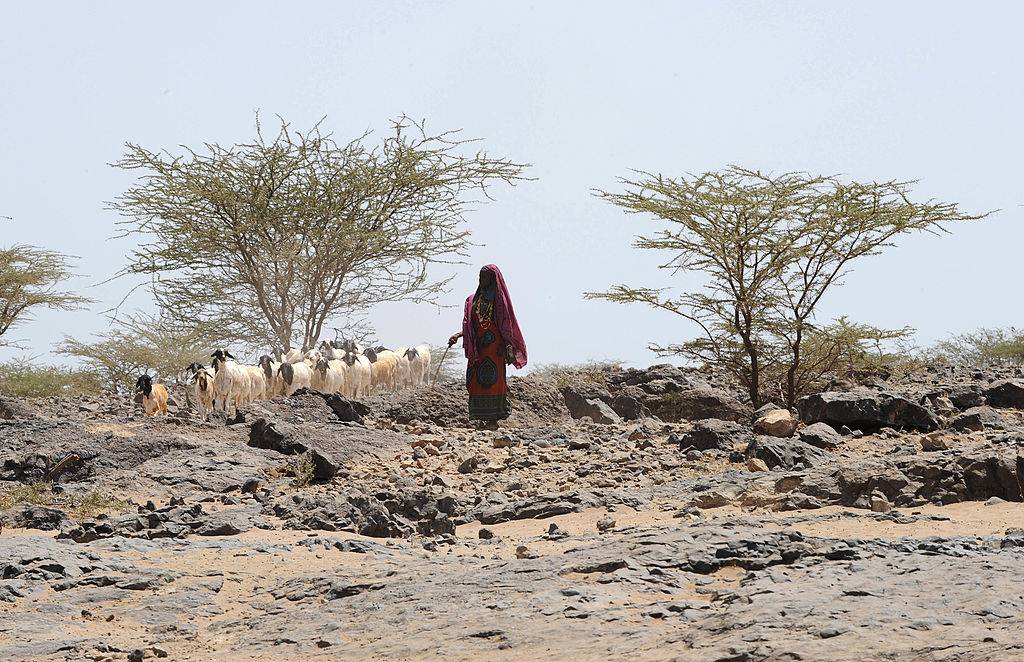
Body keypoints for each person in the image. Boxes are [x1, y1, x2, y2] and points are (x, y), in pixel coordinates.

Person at [448, 264, 527, 427]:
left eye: (485, 277)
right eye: (480, 277)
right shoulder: (472, 300)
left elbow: (506, 326)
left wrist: (508, 347)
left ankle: (493, 419)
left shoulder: (499, 302)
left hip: (495, 348)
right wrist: (458, 335)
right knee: (474, 380)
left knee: (493, 380)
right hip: (478, 348)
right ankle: (481, 417)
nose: (481, 280)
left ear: (493, 279)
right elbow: (471, 326)